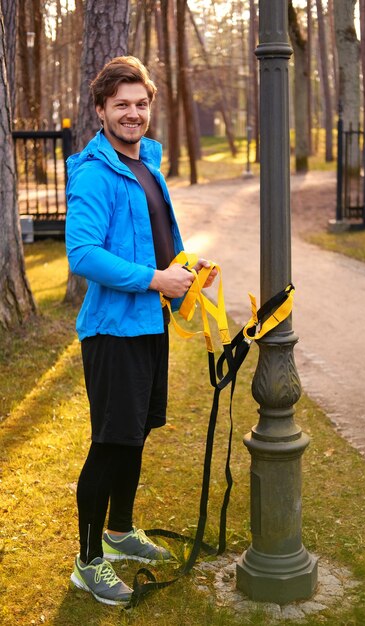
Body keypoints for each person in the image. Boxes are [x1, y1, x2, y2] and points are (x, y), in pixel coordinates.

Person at [65, 56, 217, 606]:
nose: (133, 114)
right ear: (101, 110)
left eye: (141, 103)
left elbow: (149, 238)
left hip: (148, 325)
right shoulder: (93, 172)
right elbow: (83, 253)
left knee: (135, 433)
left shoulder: (147, 164)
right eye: (122, 105)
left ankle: (120, 531)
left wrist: (181, 266)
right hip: (112, 333)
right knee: (109, 444)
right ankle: (88, 561)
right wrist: (156, 277)